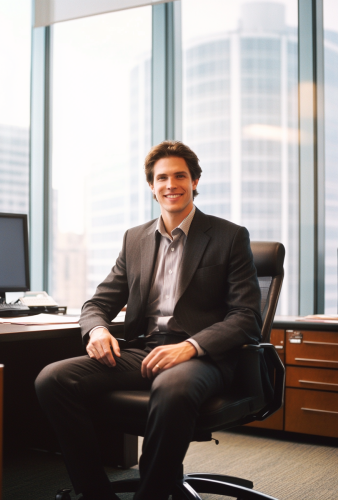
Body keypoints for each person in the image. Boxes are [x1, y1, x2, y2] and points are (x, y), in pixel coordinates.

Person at [35, 140, 262, 500]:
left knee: (173, 387)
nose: (171, 184)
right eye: (162, 178)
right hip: (146, 352)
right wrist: (96, 329)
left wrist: (190, 347)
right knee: (53, 379)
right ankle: (94, 494)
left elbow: (247, 316)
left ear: (195, 181)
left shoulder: (229, 236)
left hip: (202, 357)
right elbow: (98, 302)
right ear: (151, 186)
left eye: (180, 176)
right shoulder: (135, 239)